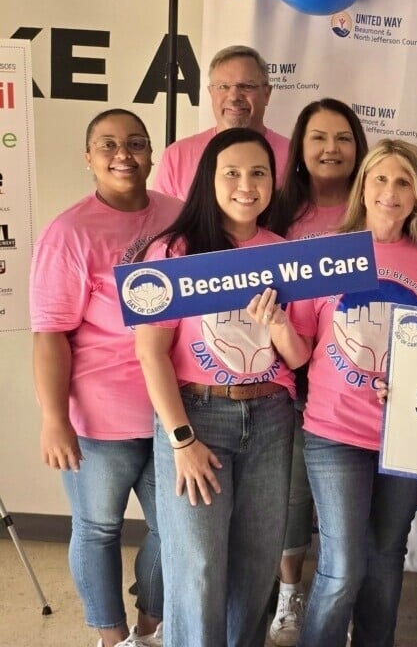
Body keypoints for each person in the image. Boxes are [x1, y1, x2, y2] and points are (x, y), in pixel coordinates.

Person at [135, 128, 309, 647]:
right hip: (198, 417)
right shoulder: (173, 252)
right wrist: (181, 441)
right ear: (208, 179)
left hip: (271, 418)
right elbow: (151, 353)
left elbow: (298, 357)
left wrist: (279, 325)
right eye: (231, 172)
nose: (246, 185)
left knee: (256, 566)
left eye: (258, 173)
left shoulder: (281, 251)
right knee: (200, 568)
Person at [30, 109, 182, 647]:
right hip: (99, 417)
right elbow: (50, 333)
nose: (124, 154)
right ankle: (112, 637)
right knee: (97, 530)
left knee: (175, 531)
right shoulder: (68, 233)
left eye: (136, 143)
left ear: (151, 152)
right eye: (109, 145)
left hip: (173, 411)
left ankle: (150, 625)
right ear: (88, 158)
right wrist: (54, 419)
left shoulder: (180, 217)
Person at [290, 139, 417, 647]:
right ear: (363, 185)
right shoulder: (329, 254)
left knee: (385, 559)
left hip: (402, 438)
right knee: (342, 564)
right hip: (333, 431)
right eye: (380, 178)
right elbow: (300, 355)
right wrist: (272, 322)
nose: (390, 191)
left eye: (404, 181)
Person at [264, 99, 369, 647]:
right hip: (277, 377)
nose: (332, 149)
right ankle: (288, 596)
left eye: (344, 138)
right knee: (292, 499)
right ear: (299, 151)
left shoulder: (373, 208)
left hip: (344, 383)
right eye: (319, 138)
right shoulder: (277, 214)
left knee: (344, 515)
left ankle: (338, 600)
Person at [153, 45, 290, 199]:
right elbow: (163, 218)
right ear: (211, 93)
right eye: (223, 87)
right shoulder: (177, 156)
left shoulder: (294, 155)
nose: (234, 97)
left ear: (267, 93)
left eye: (246, 86)